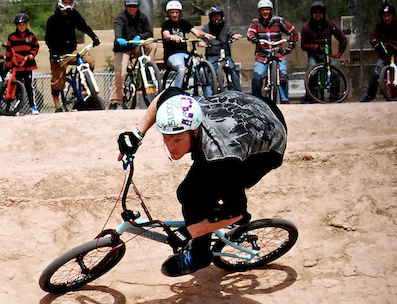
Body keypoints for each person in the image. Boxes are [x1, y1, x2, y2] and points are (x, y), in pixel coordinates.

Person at [117, 87, 287, 277]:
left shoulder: (221, 157)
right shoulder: (182, 109)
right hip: (247, 106)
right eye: (166, 138)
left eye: (178, 140)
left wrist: (189, 232)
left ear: (195, 131)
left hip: (269, 142)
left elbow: (237, 213)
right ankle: (209, 221)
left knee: (191, 195)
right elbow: (163, 97)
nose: (171, 148)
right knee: (194, 192)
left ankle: (200, 256)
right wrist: (136, 134)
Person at [45, 0, 101, 112]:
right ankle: (57, 106)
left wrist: (94, 37)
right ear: (60, 2)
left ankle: (82, 87)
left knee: (89, 61)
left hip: (72, 51)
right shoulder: (53, 19)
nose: (68, 5)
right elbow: (48, 39)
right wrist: (53, 53)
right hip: (58, 53)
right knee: (57, 80)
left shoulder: (74, 15)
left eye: (70, 3)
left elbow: (84, 26)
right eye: (65, 2)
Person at [359, 2, 397, 102]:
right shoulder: (379, 27)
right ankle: (369, 95)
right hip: (385, 55)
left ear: (392, 15)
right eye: (384, 16)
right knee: (376, 74)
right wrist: (375, 42)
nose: (386, 18)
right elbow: (374, 37)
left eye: (389, 15)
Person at [247, 0, 298, 103]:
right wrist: (253, 38)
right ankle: (255, 100)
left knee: (283, 74)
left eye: (267, 9)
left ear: (271, 10)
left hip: (278, 53)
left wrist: (289, 48)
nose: (265, 12)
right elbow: (250, 33)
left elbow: (293, 32)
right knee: (257, 76)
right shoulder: (256, 22)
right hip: (262, 55)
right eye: (263, 10)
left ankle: (285, 100)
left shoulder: (279, 21)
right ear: (259, 11)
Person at [109, 0, 156, 109]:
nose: (132, 9)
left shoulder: (142, 17)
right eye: (129, 6)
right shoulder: (120, 17)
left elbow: (149, 32)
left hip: (137, 45)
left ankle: (149, 68)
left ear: (138, 7)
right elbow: (118, 28)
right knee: (121, 73)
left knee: (153, 45)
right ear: (126, 7)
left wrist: (140, 37)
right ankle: (115, 100)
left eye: (134, 6)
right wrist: (119, 38)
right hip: (123, 48)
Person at [161, 0, 214, 91]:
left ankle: (208, 96)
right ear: (169, 13)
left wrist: (205, 35)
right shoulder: (166, 24)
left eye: (176, 12)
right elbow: (166, 35)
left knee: (200, 69)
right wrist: (172, 37)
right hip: (172, 55)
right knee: (181, 69)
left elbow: (196, 32)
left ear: (180, 13)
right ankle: (177, 92)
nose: (174, 14)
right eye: (172, 12)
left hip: (185, 54)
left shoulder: (184, 23)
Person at [201, 5, 243, 92]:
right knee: (209, 73)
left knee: (232, 70)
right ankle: (212, 94)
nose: (217, 19)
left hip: (225, 54)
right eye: (214, 16)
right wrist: (201, 42)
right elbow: (201, 37)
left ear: (221, 16)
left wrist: (235, 35)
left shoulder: (226, 26)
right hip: (212, 55)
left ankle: (239, 92)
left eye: (218, 16)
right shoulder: (206, 27)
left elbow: (232, 32)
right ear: (210, 17)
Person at [5, 12, 41, 115]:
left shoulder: (31, 36)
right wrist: (9, 66)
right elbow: (8, 52)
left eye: (24, 24)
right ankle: (17, 107)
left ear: (27, 25)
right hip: (17, 66)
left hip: (28, 66)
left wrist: (32, 54)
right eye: (20, 25)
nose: (22, 27)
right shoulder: (11, 37)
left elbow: (36, 47)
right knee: (17, 88)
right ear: (16, 25)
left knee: (29, 87)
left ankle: (33, 107)